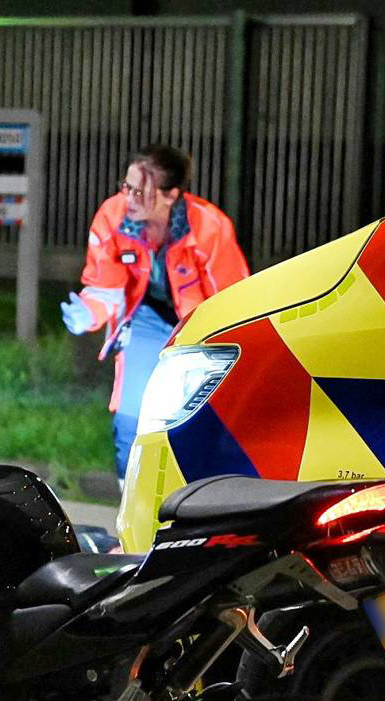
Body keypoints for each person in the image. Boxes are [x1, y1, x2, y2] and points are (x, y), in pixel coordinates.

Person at [61, 145, 248, 477]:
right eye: (126, 186)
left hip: (199, 332)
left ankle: (193, 500)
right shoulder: (113, 216)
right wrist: (88, 312)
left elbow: (234, 301)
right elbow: (105, 285)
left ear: (170, 195)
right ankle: (130, 498)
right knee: (130, 422)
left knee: (195, 424)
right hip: (145, 321)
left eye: (139, 191)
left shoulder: (209, 227)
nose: (128, 198)